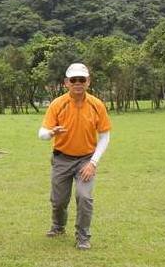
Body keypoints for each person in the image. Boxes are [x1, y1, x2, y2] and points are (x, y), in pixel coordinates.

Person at [38, 63, 112, 250]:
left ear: (88, 82)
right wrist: (51, 133)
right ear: (66, 83)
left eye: (82, 79)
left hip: (86, 160)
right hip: (62, 159)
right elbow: (42, 133)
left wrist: (93, 163)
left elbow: (104, 136)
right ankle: (58, 226)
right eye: (74, 80)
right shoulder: (58, 104)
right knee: (59, 200)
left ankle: (83, 237)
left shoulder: (97, 105)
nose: (78, 83)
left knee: (84, 197)